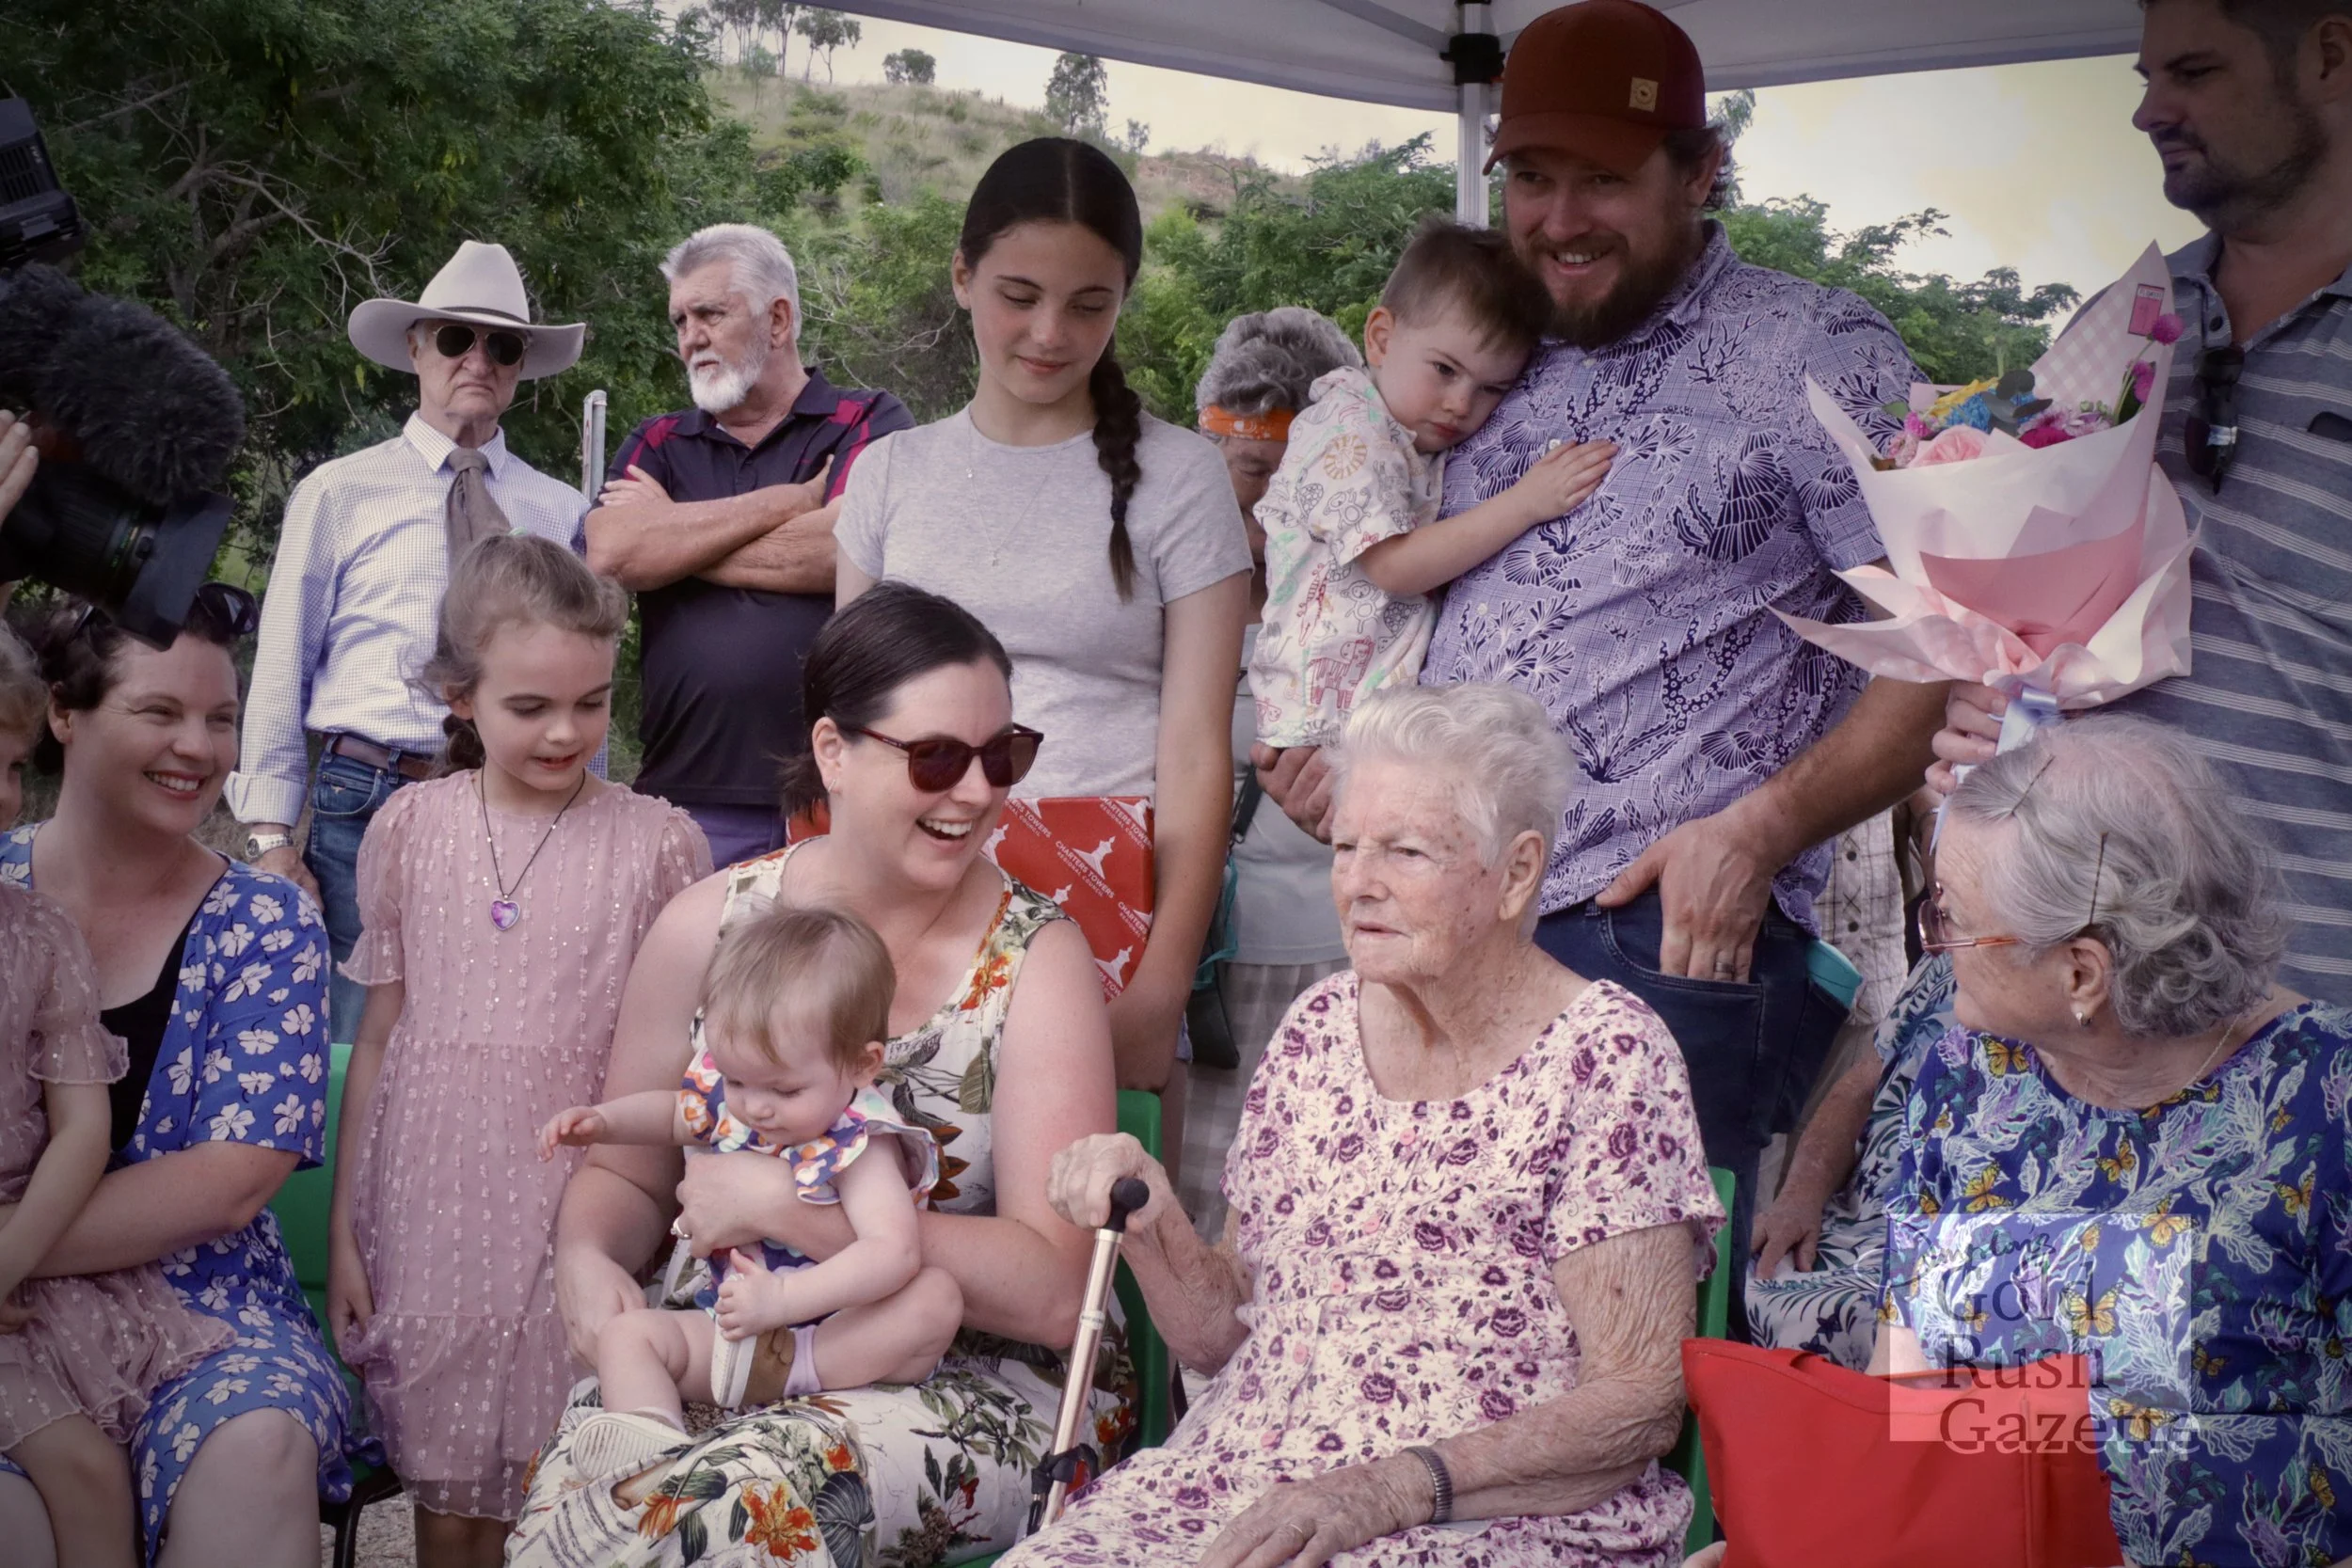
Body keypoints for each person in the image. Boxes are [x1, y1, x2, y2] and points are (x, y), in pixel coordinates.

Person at [1257, 0, 1943, 1255]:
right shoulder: (1496, 339)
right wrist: (1344, 767)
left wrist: (1757, 834)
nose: (1559, 220)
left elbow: (1940, 644)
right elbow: (1384, 571)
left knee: (1632, 1371)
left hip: (1655, 928)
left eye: (1604, 182)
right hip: (1439, 924)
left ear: (1700, 174)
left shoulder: (1819, 352)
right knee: (1428, 1341)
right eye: (1530, 177)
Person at [1019, 683, 1724, 1568]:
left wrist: (1388, 1487)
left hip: (1481, 1516)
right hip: (1251, 1482)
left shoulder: (1607, 1056)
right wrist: (1152, 1216)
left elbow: (1638, 1400)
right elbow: (1224, 1332)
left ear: (1516, 873)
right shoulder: (1316, 1028)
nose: (1358, 884)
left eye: (1405, 851)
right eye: (1347, 847)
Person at [505, 582, 1121, 1565]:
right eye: (936, 756)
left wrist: (792, 1208)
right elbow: (627, 1173)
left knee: (725, 1508)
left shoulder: (1033, 959)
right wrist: (582, 1256)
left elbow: (1057, 1289)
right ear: (834, 750)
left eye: (1001, 755)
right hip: (726, 1337)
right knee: (576, 1511)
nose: (976, 790)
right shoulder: (709, 923)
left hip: (965, 1380)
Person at [1932, 0, 2352, 1006]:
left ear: (2331, 55)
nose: (2148, 111)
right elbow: (2027, 633)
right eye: (2145, 78)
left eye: (2194, 73)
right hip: (2077, 1005)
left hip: (2313, 1027)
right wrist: (2004, 718)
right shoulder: (2121, 321)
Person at [834, 139, 1253, 1123]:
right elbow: (847, 736)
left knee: (1084, 1241)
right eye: (1018, 294)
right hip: (905, 886)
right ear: (961, 275)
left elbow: (1196, 751)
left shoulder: (1182, 478)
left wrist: (1160, 987)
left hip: (1106, 894)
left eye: (1089, 304)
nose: (1050, 332)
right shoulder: (890, 475)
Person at [1868, 716, 2348, 1564]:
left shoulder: (2325, 1101)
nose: (1934, 945)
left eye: (1949, 918)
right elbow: (1902, 1385)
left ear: (2081, 972)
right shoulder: (1964, 1076)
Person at [325, 535, 708, 1566]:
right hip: (430, 1194)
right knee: (448, 1499)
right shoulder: (408, 824)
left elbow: (679, 1063)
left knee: (568, 1487)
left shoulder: (658, 840)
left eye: (590, 702)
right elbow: (379, 1033)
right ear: (459, 694)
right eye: (530, 706)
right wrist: (349, 1230)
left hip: (577, 1189)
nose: (567, 730)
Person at [2, 589, 367, 1568]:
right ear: (63, 713)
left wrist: (6, 1251)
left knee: (254, 1442)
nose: (199, 748)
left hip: (208, 1310)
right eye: (160, 712)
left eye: (219, 719)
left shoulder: (268, 920)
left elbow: (231, 1177)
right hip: (13, 1322)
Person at [229, 240, 591, 1037]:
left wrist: (585, 809)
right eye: (456, 338)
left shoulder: (561, 511)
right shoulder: (339, 491)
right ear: (416, 346)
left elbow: (582, 676)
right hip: (364, 795)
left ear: (521, 365)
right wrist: (267, 838)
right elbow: (283, 661)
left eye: (502, 345)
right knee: (356, 1041)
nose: (479, 359)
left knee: (491, 1028)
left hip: (513, 802)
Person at [539, 902, 961, 1480]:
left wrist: (785, 1304)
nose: (754, 1106)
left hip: (832, 1336)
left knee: (935, 1297)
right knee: (626, 1336)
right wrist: (607, 1122)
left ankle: (804, 1373)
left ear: (862, 1066)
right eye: (736, 1080)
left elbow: (894, 1251)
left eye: (784, 1090)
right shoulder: (739, 1100)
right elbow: (672, 1117)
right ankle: (654, 1452)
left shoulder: (859, 1143)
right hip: (730, 1334)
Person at [0, 628, 230, 1568]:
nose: (1, 797)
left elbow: (80, 1128)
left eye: (11, 768)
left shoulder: (35, 931)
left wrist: (6, 1260)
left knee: (91, 1474)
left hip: (22, 1272)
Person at [586, 223, 913, 867]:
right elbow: (614, 553)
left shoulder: (868, 419)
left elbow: (846, 552)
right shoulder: (658, 441)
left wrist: (676, 538)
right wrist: (791, 501)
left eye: (710, 313)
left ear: (779, 319)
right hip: (680, 803)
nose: (690, 338)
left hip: (835, 801)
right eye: (680, 320)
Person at [1249, 218, 1613, 752]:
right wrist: (1527, 503)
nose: (1461, 404)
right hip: (1329, 716)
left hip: (1359, 707)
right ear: (1381, 338)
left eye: (1491, 388)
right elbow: (1395, 567)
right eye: (1445, 369)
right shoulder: (1349, 434)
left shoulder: (1406, 439)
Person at [1179, 307, 1360, 1235]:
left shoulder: (1378, 575)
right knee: (1194, 1207)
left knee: (1313, 1213)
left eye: (1298, 482)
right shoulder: (1166, 573)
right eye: (1251, 474)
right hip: (1199, 955)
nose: (1273, 509)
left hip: (1340, 957)